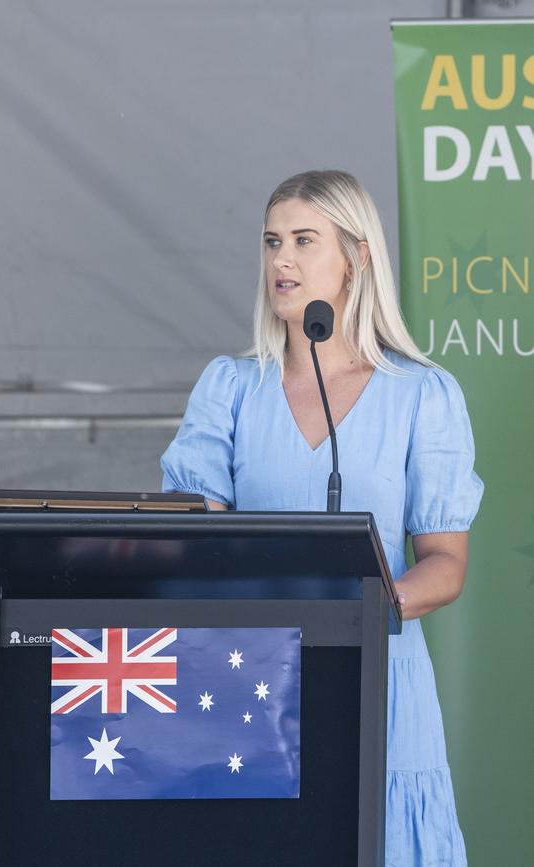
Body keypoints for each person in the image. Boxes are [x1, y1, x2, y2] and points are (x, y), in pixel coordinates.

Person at [160, 170, 483, 866]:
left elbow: (446, 562)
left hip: (382, 681)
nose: (282, 260)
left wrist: (365, 606)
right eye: (273, 241)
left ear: (356, 259)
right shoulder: (230, 387)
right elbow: (190, 539)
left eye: (305, 240)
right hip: (251, 680)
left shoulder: (422, 395)